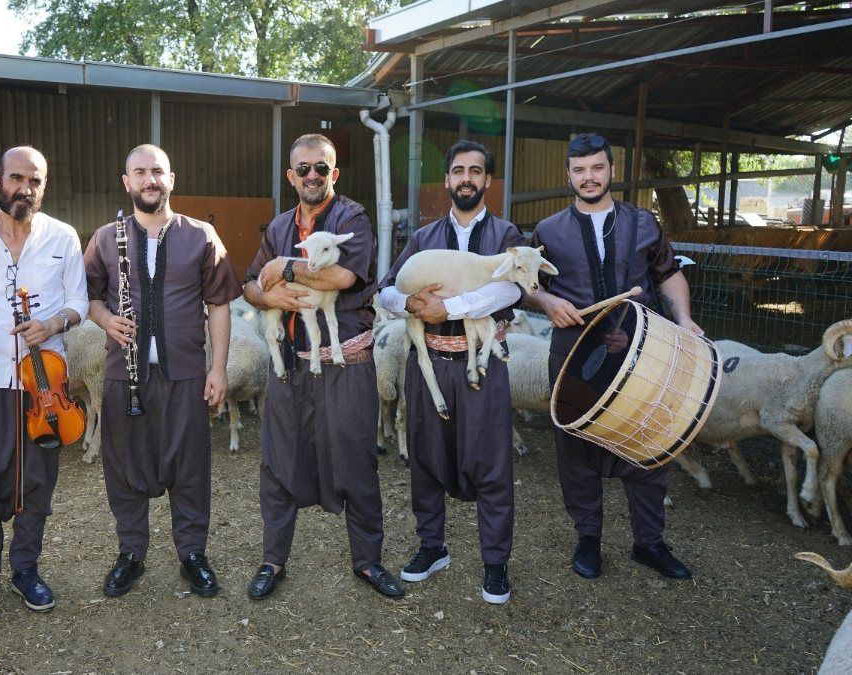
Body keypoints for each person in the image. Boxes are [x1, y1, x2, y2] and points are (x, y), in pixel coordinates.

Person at [526, 132, 703, 582]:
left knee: (648, 439)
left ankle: (649, 543)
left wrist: (684, 318)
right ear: (569, 174)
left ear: (611, 170)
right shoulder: (548, 231)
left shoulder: (644, 223)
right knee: (574, 446)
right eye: (580, 170)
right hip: (573, 353)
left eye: (597, 168)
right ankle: (588, 537)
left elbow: (668, 273)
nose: (589, 177)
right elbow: (526, 284)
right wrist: (546, 301)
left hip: (641, 351)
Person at [243, 133, 402, 601]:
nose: (312, 176)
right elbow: (249, 284)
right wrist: (269, 296)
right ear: (291, 176)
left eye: (321, 168)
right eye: (303, 169)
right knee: (277, 461)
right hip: (291, 365)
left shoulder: (351, 218)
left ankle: (368, 561)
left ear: (334, 173)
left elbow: (344, 276)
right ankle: (273, 560)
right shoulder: (278, 226)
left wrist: (287, 268)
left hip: (345, 362)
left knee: (355, 459)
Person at [83, 144, 241, 598]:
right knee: (123, 467)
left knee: (190, 467)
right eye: (140, 172)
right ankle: (131, 554)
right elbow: (87, 297)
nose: (149, 180)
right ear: (126, 182)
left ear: (170, 179)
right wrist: (106, 320)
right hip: (123, 374)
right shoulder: (104, 238)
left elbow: (219, 304)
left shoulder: (202, 235)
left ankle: (192, 554)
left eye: (157, 172)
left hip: (185, 374)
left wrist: (218, 369)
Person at [378, 140, 527, 604]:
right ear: (447, 180)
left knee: (492, 462)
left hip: (482, 363)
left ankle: (495, 563)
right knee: (425, 458)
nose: (466, 178)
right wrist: (409, 302)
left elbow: (511, 290)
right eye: (458, 170)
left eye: (475, 171)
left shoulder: (505, 234)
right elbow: (385, 290)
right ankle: (432, 547)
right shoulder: (424, 238)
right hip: (429, 365)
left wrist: (450, 307)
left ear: (487, 180)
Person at [0, 146, 88, 619]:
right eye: (16, 178)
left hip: (44, 384)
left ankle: (25, 569)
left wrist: (52, 324)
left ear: (43, 187)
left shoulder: (63, 236)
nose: (24, 189)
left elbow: (79, 303)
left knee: (38, 482)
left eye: (34, 181)